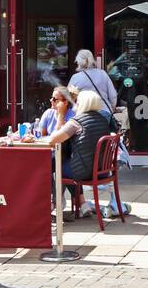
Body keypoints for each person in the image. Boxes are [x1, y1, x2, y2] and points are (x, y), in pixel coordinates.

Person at [46, 89, 119, 218]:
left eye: (78, 103)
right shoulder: (103, 119)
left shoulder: (76, 122)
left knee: (50, 164)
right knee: (59, 162)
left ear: (83, 104)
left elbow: (52, 140)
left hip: (84, 172)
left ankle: (50, 204)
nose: (75, 105)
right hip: (102, 171)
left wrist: (61, 115)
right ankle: (81, 204)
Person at [67, 49, 118, 117]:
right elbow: (113, 95)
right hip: (105, 113)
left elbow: (69, 98)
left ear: (78, 61)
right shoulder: (102, 73)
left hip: (83, 115)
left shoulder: (75, 78)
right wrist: (112, 108)